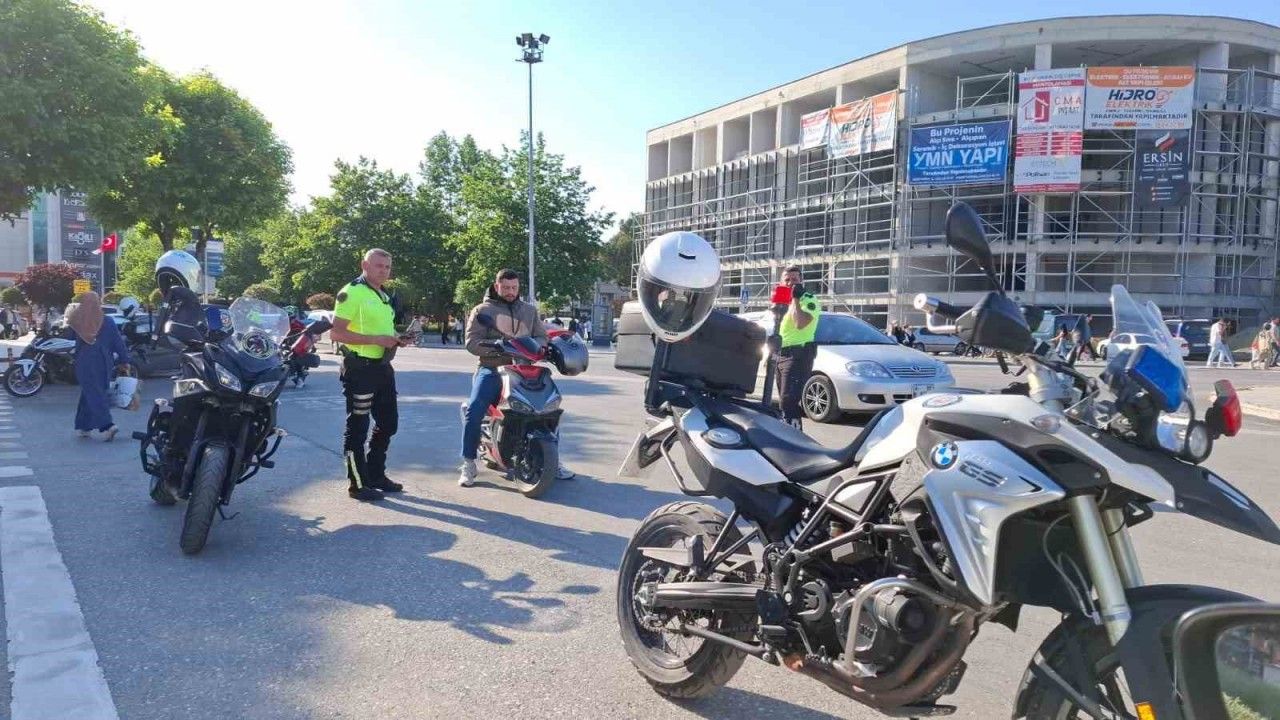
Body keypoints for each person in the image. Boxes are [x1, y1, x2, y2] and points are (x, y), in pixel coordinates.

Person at [330, 249, 409, 501]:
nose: (383, 271)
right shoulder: (351, 292)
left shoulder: (383, 295)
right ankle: (357, 483)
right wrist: (376, 339)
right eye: (378, 265)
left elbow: (382, 330)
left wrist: (396, 338)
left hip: (382, 367)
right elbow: (336, 333)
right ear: (364, 265)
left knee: (388, 423)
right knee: (358, 427)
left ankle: (375, 474)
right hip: (360, 369)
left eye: (387, 267)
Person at [459, 269, 547, 487]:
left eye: (514, 288)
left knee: (547, 409)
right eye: (506, 288)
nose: (510, 292)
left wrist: (538, 347)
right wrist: (498, 349)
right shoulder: (482, 310)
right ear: (496, 286)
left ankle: (551, 458)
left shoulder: (529, 310)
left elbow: (541, 336)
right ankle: (468, 463)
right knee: (474, 410)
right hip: (491, 369)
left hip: (522, 370)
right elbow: (471, 342)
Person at [66, 292, 130, 441]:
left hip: (85, 361)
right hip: (105, 362)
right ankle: (84, 426)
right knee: (90, 391)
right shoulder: (108, 321)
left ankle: (107, 426)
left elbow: (69, 338)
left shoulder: (78, 320)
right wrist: (124, 360)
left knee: (94, 393)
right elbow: (118, 342)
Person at [775, 265, 819, 428]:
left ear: (801, 281)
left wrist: (795, 299)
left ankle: (794, 437)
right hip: (781, 354)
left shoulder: (808, 299)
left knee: (789, 402)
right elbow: (776, 325)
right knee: (783, 402)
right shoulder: (782, 298)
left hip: (799, 354)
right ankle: (786, 434)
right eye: (786, 280)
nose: (790, 283)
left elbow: (800, 323)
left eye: (794, 279)